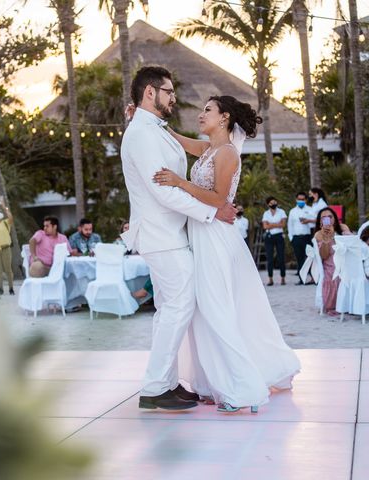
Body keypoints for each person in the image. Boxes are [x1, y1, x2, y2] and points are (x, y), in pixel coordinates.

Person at [153, 94, 301, 413]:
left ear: (224, 118)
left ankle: (245, 388)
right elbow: (178, 140)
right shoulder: (209, 149)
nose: (200, 114)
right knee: (205, 311)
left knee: (215, 308)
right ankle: (214, 382)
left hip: (216, 238)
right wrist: (151, 122)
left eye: (207, 110)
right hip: (201, 235)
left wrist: (180, 182)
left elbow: (220, 199)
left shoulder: (228, 153)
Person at [120, 66, 238, 411]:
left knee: (168, 310)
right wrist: (211, 211)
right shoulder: (141, 133)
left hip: (171, 234)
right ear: (150, 93)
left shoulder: (152, 128)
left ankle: (165, 382)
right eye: (169, 91)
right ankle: (156, 388)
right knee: (178, 306)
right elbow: (164, 192)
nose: (174, 96)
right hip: (163, 237)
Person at [314, 207, 352, 315]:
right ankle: (334, 305)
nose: (328, 220)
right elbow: (324, 256)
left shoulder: (342, 227)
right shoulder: (318, 234)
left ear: (335, 218)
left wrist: (340, 234)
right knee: (333, 274)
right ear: (320, 221)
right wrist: (327, 239)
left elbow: (351, 244)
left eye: (330, 217)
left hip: (346, 261)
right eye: (324, 218)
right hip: (330, 264)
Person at [288, 192, 314, 285]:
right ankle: (301, 278)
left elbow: (314, 224)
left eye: (302, 199)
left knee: (310, 257)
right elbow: (289, 226)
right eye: (299, 199)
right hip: (296, 238)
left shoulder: (310, 210)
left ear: (306, 200)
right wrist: (291, 238)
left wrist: (308, 222)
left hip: (307, 237)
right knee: (299, 259)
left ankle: (312, 277)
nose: (301, 201)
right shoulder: (292, 211)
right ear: (296, 199)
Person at [262, 196, 287, 286]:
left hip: (279, 236)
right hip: (269, 237)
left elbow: (283, 224)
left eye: (275, 202)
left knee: (281, 257)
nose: (273, 204)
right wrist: (277, 224)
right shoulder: (266, 213)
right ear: (268, 204)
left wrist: (270, 224)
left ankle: (283, 278)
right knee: (270, 258)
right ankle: (270, 279)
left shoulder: (282, 212)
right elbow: (265, 226)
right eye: (271, 203)